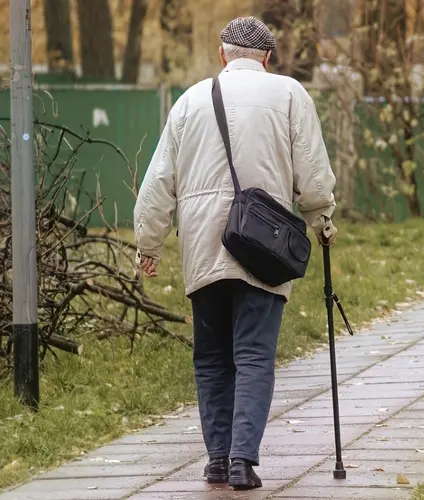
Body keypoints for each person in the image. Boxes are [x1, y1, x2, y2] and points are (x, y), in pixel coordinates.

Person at [133, 16, 337, 490]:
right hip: (262, 244)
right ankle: (243, 460)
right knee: (254, 355)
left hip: (204, 244)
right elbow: (312, 171)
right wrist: (321, 221)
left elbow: (158, 181)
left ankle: (216, 460)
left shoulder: (188, 102)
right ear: (267, 59)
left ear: (222, 55)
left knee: (210, 358)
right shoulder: (289, 94)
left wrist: (149, 243)